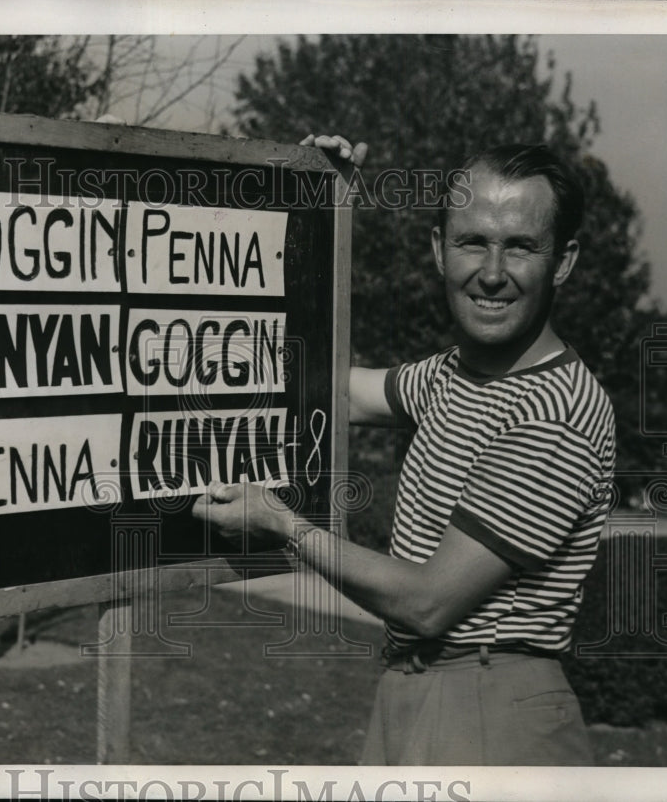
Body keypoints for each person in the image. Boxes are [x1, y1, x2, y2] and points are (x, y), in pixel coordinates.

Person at [192, 137, 616, 766]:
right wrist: (313, 208)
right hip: (415, 690)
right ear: (438, 249)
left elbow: (428, 602)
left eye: (520, 245)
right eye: (472, 241)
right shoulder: (450, 376)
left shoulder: (554, 411)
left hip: (490, 705)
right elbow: (331, 389)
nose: (493, 272)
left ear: (563, 261)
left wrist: (281, 522)